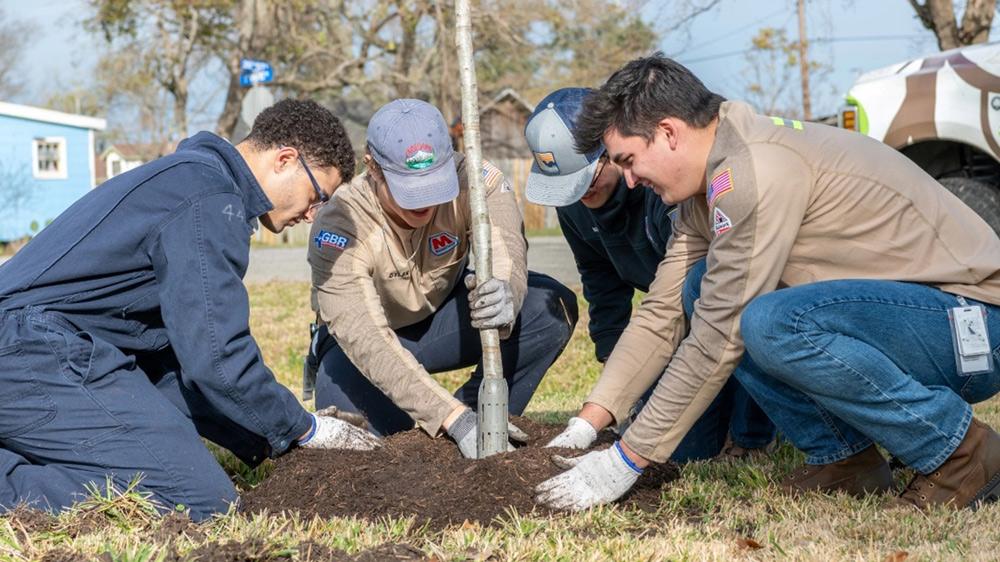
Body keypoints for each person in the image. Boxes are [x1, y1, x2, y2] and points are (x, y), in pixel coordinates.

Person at [534, 54, 1000, 512]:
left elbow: (721, 332)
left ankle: (962, 454)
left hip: (974, 323)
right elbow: (663, 311)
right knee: (698, 287)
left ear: (669, 132)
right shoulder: (706, 187)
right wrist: (590, 422)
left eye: (629, 160)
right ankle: (845, 461)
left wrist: (626, 460)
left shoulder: (753, 171)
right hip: (914, 317)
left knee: (769, 321)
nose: (630, 181)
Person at [0, 99, 380, 522]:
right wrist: (304, 429)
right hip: (29, 350)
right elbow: (215, 357)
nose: (312, 216)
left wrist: (277, 437)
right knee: (198, 501)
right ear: (285, 159)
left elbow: (172, 361)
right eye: (317, 196)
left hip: (47, 348)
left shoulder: (193, 179)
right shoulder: (210, 200)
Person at [306, 99, 578, 458]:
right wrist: (453, 419)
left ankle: (480, 417)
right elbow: (367, 336)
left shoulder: (477, 182)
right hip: (361, 346)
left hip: (442, 319)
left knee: (549, 307)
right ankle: (453, 423)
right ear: (372, 167)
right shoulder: (341, 222)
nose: (424, 202)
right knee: (365, 447)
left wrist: (505, 292)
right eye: (409, 188)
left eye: (434, 184)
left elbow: (505, 248)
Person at [524, 87, 775, 461]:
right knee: (686, 451)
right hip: (672, 321)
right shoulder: (574, 208)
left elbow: (709, 297)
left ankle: (752, 434)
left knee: (705, 293)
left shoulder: (660, 187)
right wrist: (613, 396)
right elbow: (601, 284)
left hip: (711, 306)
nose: (581, 195)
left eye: (588, 178)